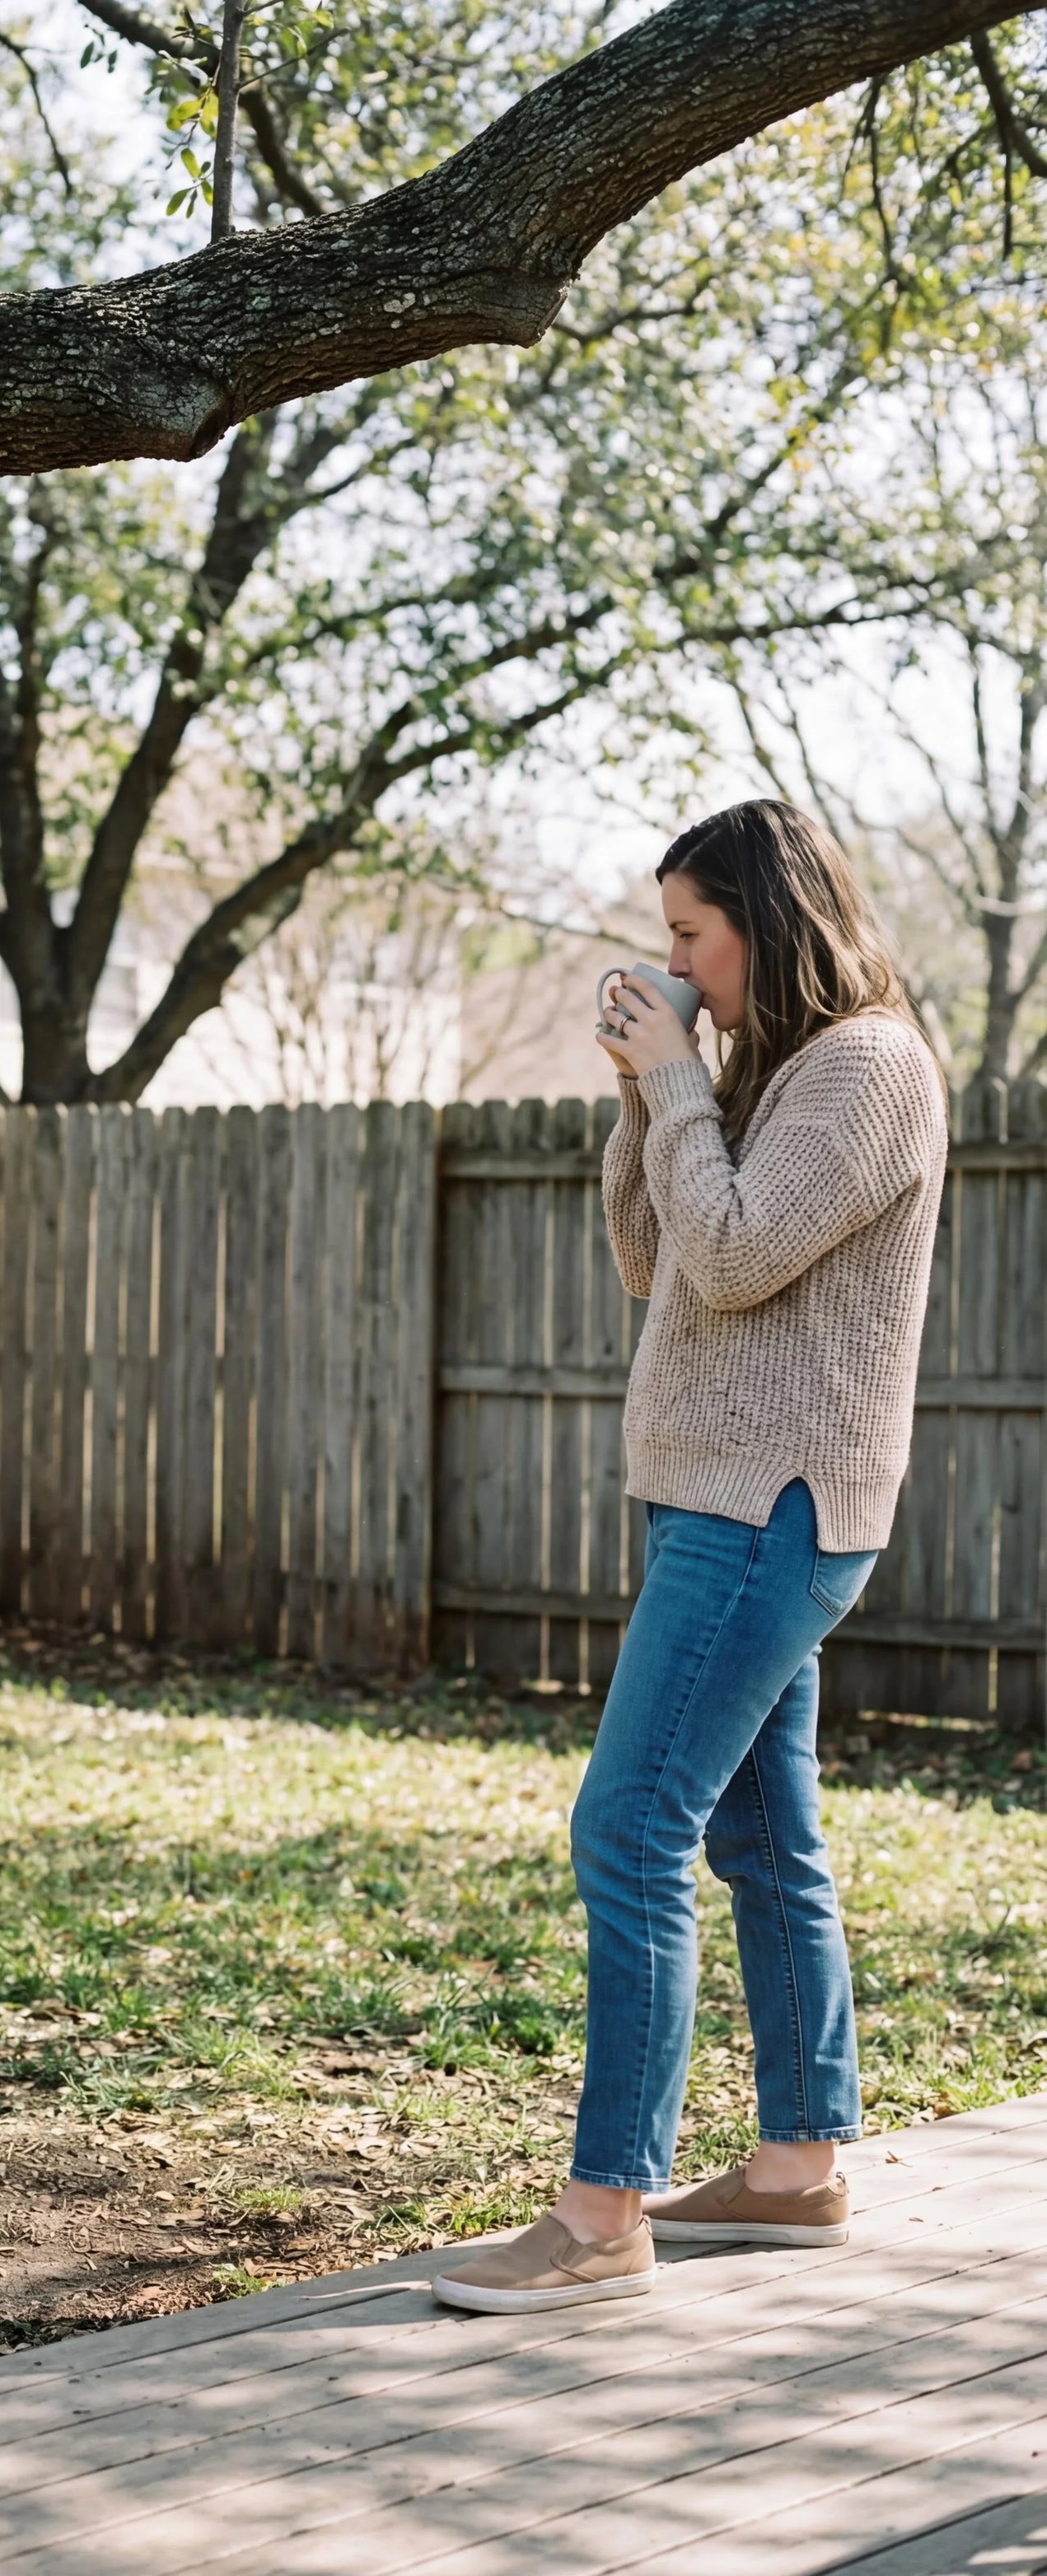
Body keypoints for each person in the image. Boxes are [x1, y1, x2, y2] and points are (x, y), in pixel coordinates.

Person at [434, 799, 948, 2316]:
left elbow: (731, 1257)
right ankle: (797, 2166)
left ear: (767, 922)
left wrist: (674, 1079)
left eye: (688, 932)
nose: (671, 961)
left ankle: (603, 2211)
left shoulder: (868, 1066)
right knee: (759, 1835)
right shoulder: (769, 1071)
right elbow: (660, 1257)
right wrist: (643, 1095)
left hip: (768, 1506)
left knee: (628, 1826)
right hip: (714, 1494)